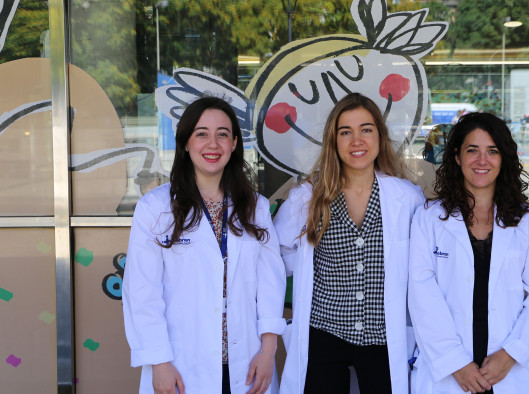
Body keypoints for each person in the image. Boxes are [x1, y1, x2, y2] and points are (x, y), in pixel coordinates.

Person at [123, 96, 286, 394]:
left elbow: (271, 284)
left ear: (234, 143)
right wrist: (159, 362)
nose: (213, 144)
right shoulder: (155, 208)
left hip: (247, 360)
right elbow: (142, 294)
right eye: (202, 134)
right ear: (185, 143)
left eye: (222, 134)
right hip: (182, 364)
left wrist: (268, 350)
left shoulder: (255, 207)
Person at [274, 93, 425, 394]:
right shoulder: (308, 196)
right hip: (324, 334)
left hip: (383, 337)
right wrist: (308, 273)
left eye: (366, 130)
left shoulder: (406, 197)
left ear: (380, 137)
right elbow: (276, 254)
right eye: (346, 132)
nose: (357, 140)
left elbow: (421, 265)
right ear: (334, 140)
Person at [408, 112, 529, 393]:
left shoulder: (526, 221)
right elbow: (421, 295)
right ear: (456, 157)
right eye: (472, 150)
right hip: (449, 372)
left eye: (492, 151)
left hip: (510, 371)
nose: (482, 160)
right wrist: (454, 362)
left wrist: (512, 353)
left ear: (503, 159)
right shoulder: (428, 218)